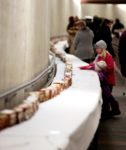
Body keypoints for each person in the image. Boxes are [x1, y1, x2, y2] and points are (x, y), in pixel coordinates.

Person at [79, 40, 121, 118]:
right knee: (107, 95)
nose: (96, 50)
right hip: (104, 80)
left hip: (108, 80)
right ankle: (112, 110)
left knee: (107, 97)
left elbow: (111, 68)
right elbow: (95, 64)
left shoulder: (108, 56)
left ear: (102, 48)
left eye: (97, 48)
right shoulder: (99, 56)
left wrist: (102, 67)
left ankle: (107, 112)